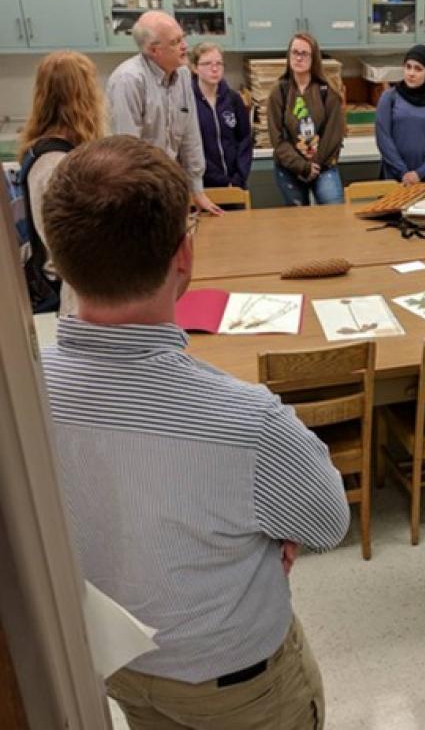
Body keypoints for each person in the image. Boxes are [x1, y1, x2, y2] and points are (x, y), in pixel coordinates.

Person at [39, 135, 350, 729]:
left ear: (59, 256)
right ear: (184, 257)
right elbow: (326, 522)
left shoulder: (24, 397)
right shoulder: (248, 420)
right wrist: (268, 530)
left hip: (114, 661)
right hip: (236, 683)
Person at [106, 10, 223, 215]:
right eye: (175, 42)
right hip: (138, 192)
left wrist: (197, 189)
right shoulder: (129, 81)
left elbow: (190, 134)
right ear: (154, 50)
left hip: (170, 186)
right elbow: (127, 152)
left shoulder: (184, 74)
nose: (185, 46)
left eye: (183, 38)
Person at [16, 50, 106, 316]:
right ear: (85, 97)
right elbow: (73, 249)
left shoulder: (47, 151)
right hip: (78, 296)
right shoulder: (56, 165)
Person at [267, 32, 346, 206]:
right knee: (297, 224)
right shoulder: (279, 92)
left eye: (304, 53)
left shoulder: (328, 91)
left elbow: (333, 135)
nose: (299, 58)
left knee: (335, 218)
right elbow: (277, 139)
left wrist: (313, 165)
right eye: (294, 52)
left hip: (323, 167)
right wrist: (302, 166)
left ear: (314, 58)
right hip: (290, 168)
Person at [375, 44, 425, 185]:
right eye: (408, 67)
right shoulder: (389, 97)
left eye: (418, 69)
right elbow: (383, 139)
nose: (411, 73)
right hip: (394, 178)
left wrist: (420, 173)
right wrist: (403, 172)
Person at [190, 42, 253, 192]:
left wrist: (239, 177)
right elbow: (190, 147)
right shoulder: (188, 102)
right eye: (207, 63)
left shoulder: (233, 99)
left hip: (236, 183)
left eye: (219, 63)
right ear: (194, 68)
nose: (214, 68)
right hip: (204, 185)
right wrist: (220, 180)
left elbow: (245, 139)